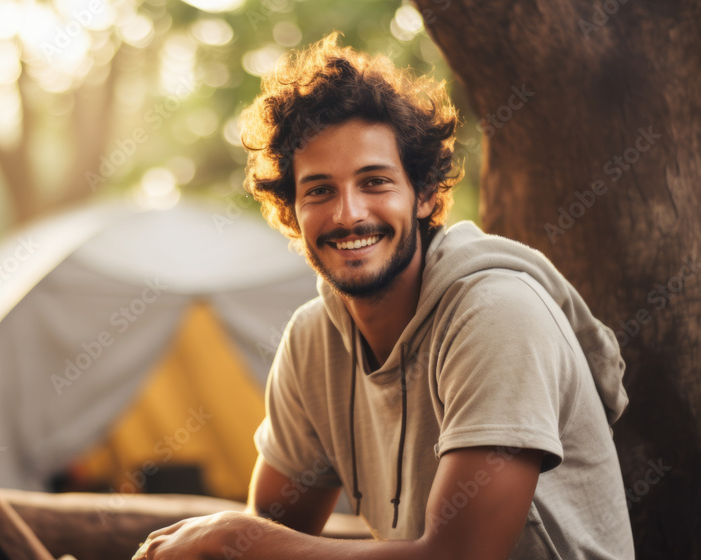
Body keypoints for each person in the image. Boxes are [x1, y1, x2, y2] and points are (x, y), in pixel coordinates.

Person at [132, 33, 633, 559]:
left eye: (374, 182)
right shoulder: (312, 341)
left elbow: (459, 557)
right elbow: (274, 532)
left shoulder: (497, 314)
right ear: (291, 212)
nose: (348, 214)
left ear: (425, 195)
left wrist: (231, 537)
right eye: (319, 190)